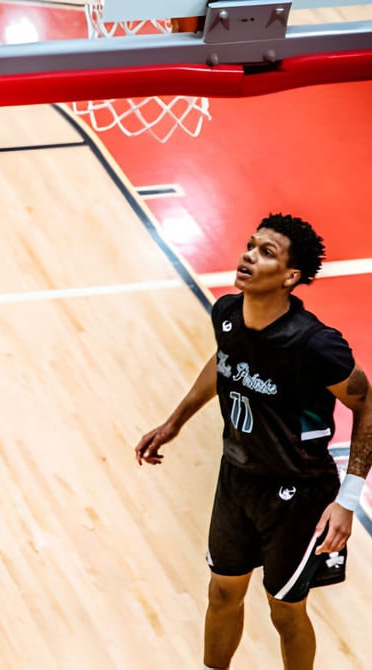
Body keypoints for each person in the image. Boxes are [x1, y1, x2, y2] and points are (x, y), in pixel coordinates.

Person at [135, 213, 372, 670]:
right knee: (222, 590)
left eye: (266, 252)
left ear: (290, 277)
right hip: (237, 480)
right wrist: (175, 421)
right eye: (250, 244)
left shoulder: (315, 345)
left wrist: (348, 497)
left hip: (298, 493)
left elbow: (368, 407)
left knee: (284, 611)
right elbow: (225, 360)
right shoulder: (227, 314)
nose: (248, 255)